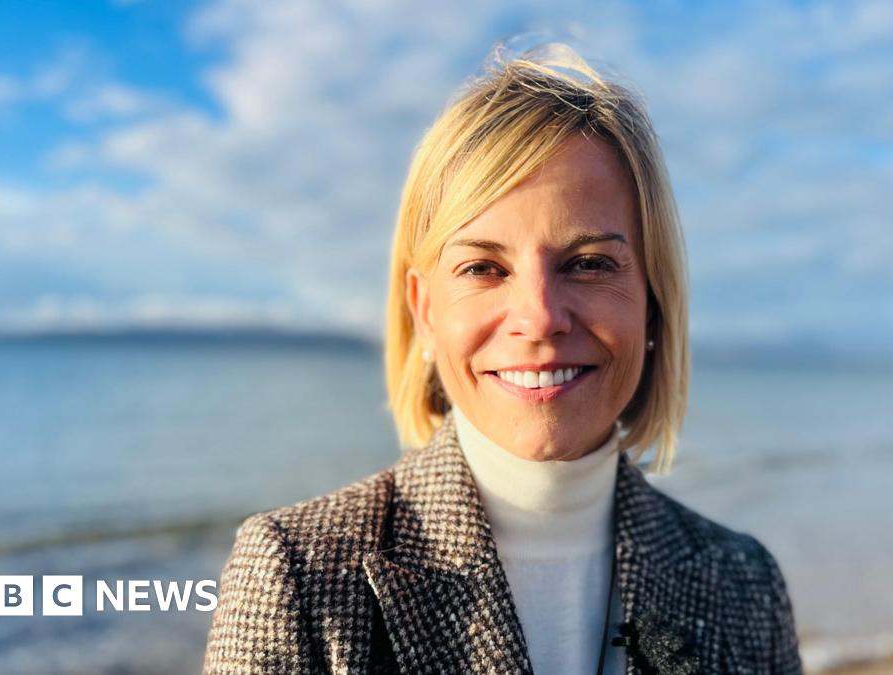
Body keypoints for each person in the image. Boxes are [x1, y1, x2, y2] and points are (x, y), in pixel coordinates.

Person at [203, 43, 803, 675]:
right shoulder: (300, 575)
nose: (540, 317)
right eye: (483, 268)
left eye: (590, 264)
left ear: (654, 303)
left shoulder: (745, 585)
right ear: (425, 309)